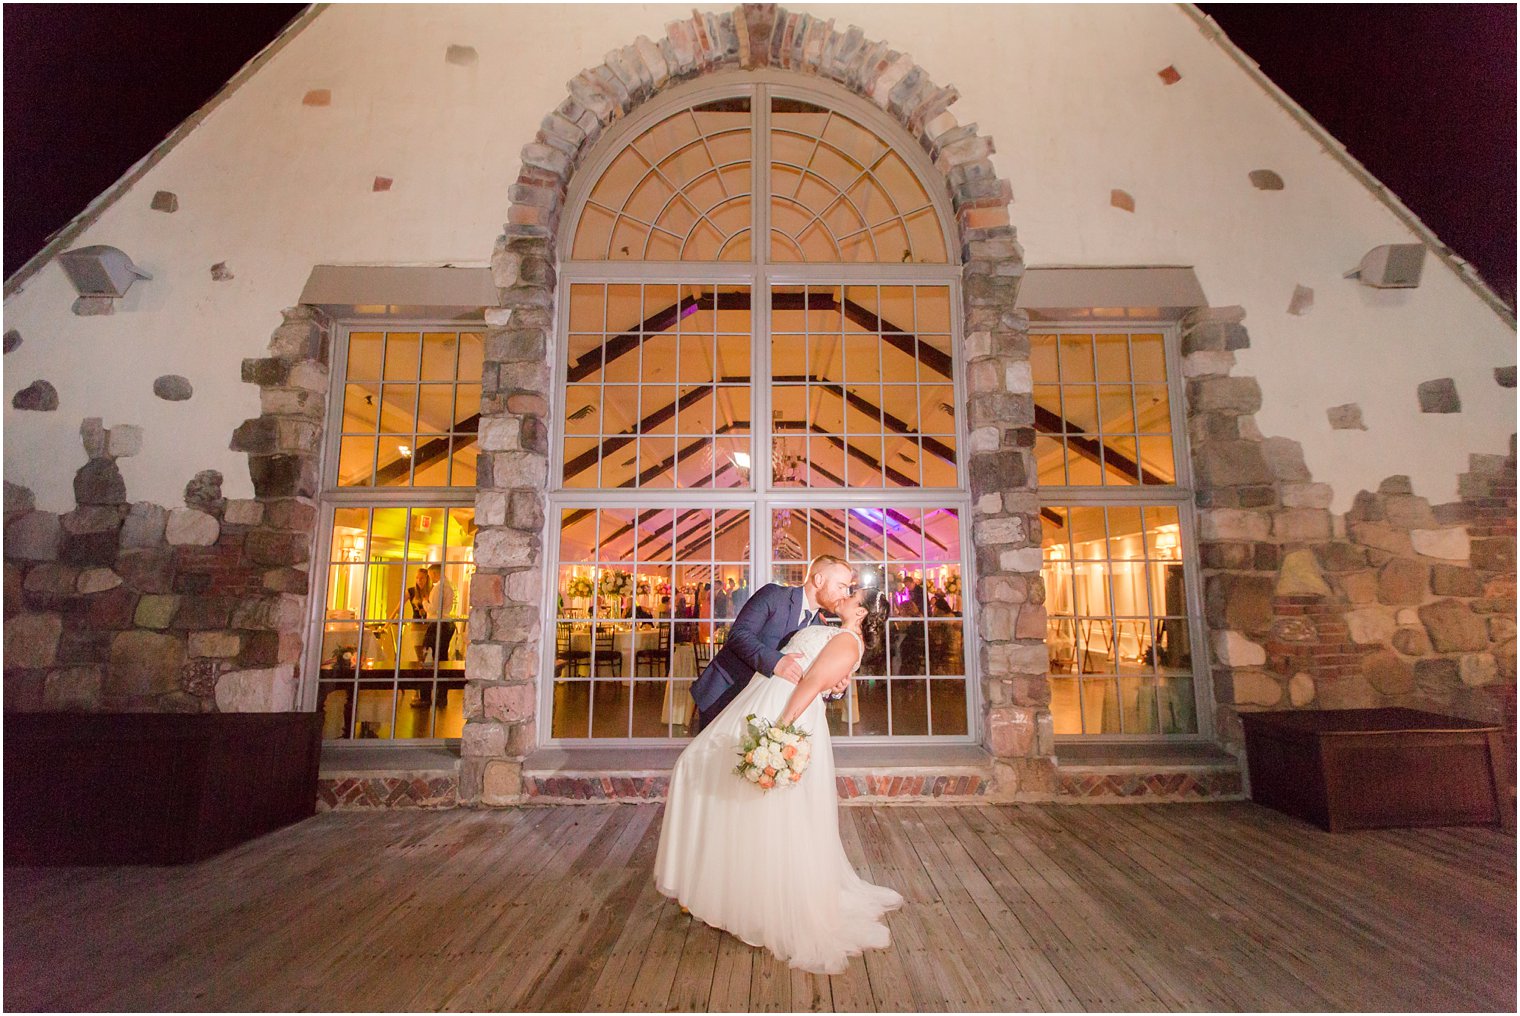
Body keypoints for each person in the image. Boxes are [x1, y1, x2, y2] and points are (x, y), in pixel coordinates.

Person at [655, 588, 900, 974]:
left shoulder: (846, 640)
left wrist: (780, 731)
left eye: (853, 594)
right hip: (763, 702)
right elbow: (817, 675)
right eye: (845, 587)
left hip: (782, 712)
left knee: (760, 806)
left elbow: (813, 682)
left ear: (862, 611)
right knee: (711, 776)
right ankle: (716, 885)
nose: (846, 594)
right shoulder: (828, 627)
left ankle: (751, 901)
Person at [688, 556, 854, 733]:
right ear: (819, 580)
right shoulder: (774, 595)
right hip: (726, 692)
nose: (845, 595)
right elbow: (738, 635)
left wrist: (835, 690)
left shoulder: (821, 628)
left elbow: (811, 680)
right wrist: (776, 662)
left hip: (766, 709)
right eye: (841, 587)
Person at [426, 563, 455, 662]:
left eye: (430, 575)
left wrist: (424, 602)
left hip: (437, 623)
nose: (430, 578)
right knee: (442, 652)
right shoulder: (449, 585)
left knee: (431, 651)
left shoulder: (438, 588)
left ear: (434, 573)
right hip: (447, 622)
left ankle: (433, 673)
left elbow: (433, 608)